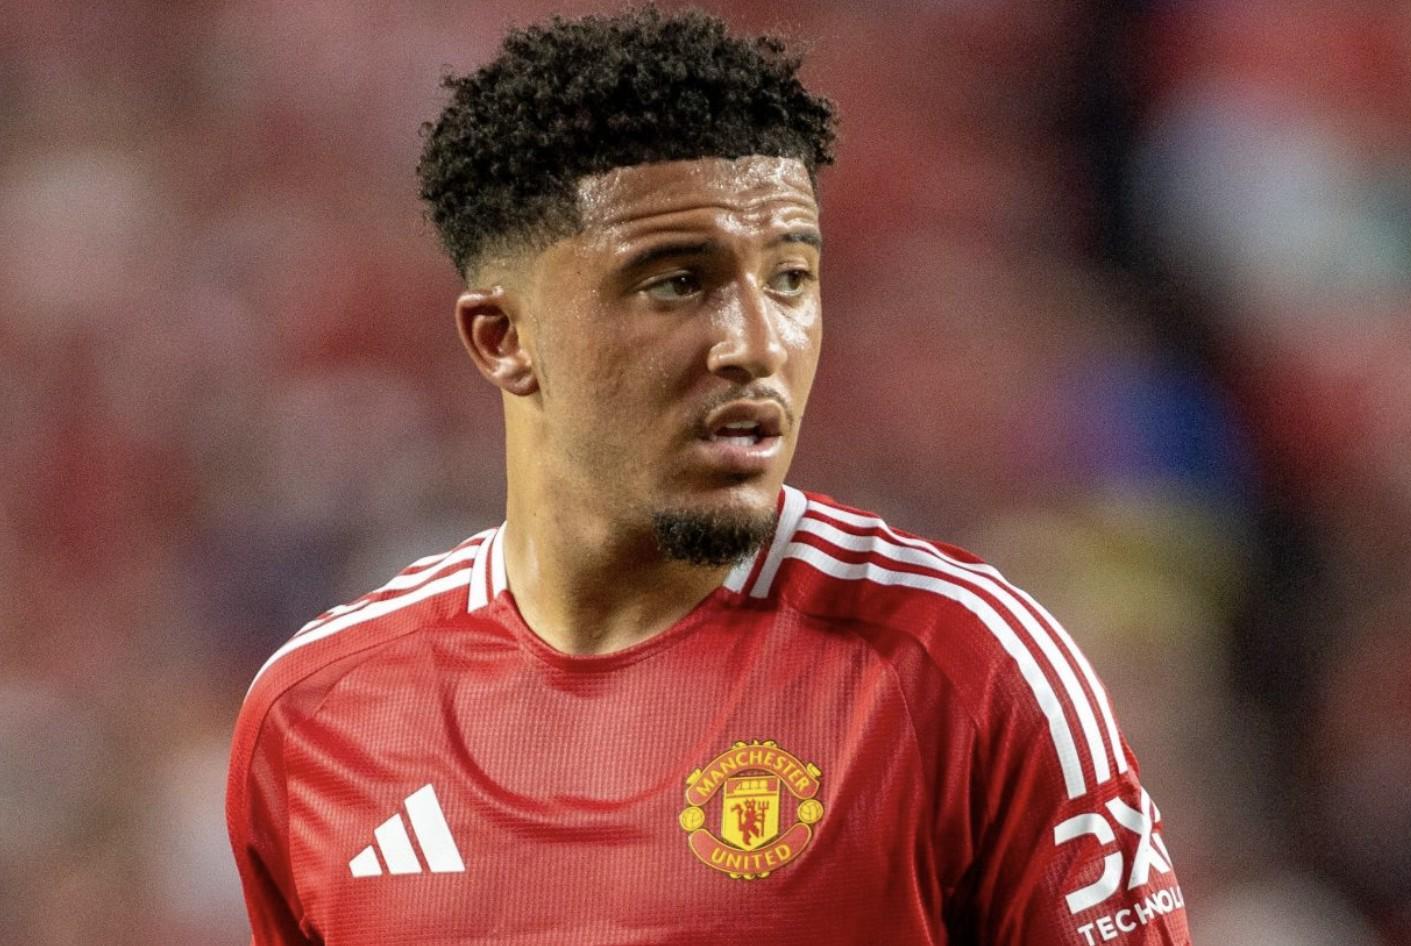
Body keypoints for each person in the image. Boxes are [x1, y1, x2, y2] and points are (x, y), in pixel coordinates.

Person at [226, 8, 1192, 945]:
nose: (757, 344)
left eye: (790, 278)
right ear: (503, 338)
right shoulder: (319, 718)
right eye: (677, 282)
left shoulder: (964, 671)